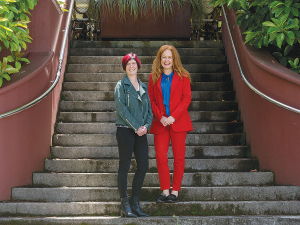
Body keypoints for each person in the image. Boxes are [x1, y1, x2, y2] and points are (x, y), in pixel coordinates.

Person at [148, 45, 193, 203]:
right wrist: (160, 117)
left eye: (169, 57)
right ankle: (165, 191)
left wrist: (173, 116)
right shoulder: (154, 76)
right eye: (164, 57)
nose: (166, 60)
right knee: (161, 157)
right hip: (160, 123)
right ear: (159, 59)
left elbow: (186, 98)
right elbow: (152, 100)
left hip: (178, 122)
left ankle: (175, 191)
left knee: (179, 158)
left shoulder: (184, 76)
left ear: (174, 60)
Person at [114, 53, 153, 217]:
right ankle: (125, 205)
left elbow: (149, 111)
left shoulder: (143, 87)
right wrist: (137, 127)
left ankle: (135, 204)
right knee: (124, 166)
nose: (131, 66)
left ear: (138, 65)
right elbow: (121, 109)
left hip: (141, 132)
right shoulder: (120, 86)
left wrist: (146, 127)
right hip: (125, 130)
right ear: (125, 67)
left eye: (134, 63)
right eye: (128, 64)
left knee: (143, 165)